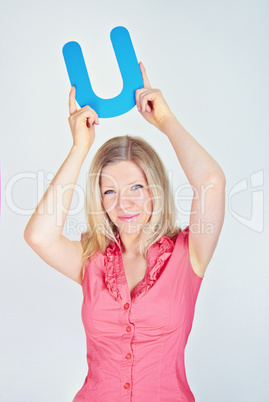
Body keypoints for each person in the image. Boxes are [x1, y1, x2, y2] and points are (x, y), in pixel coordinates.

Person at [24, 61, 226, 401]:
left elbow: (211, 182)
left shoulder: (188, 253)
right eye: (109, 191)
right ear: (99, 199)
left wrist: (164, 120)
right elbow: (39, 236)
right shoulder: (91, 258)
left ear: (154, 190)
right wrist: (79, 147)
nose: (124, 203)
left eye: (135, 187)